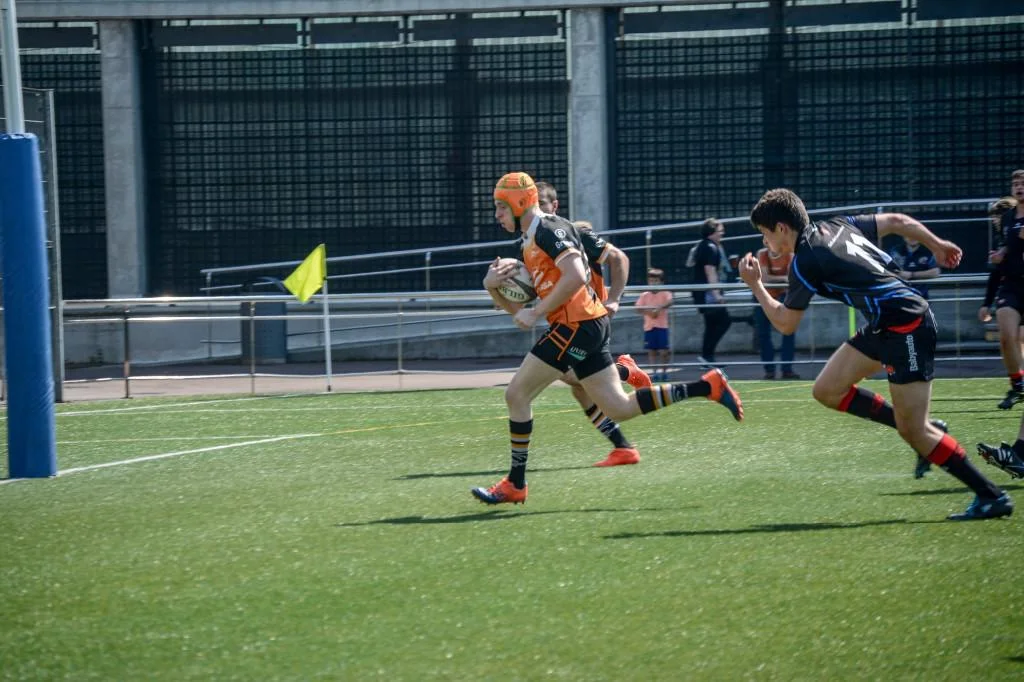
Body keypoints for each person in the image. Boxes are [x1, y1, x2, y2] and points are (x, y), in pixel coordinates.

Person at [739, 188, 1012, 521]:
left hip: (907, 326)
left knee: (914, 431)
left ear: (782, 228)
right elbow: (896, 221)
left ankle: (991, 496)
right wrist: (937, 244)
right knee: (827, 390)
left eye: (765, 233)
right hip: (886, 324)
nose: (765, 241)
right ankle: (925, 429)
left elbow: (786, 323)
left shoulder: (805, 260)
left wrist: (756, 285)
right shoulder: (837, 224)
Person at [475, 172, 744, 504]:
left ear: (519, 203)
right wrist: (492, 288)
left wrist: (538, 311)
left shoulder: (549, 229)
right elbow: (520, 315)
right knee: (619, 407)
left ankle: (516, 483)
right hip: (584, 325)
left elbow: (577, 274)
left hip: (575, 326)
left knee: (516, 394)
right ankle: (707, 386)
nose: (497, 215)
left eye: (501, 207)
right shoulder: (530, 241)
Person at [535, 181, 651, 467]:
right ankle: (623, 448)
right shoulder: (535, 242)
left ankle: (624, 371)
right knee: (579, 387)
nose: (537, 210)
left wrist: (615, 299)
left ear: (555, 206)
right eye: (532, 205)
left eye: (542, 204)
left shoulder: (574, 234)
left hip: (587, 321)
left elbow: (619, 258)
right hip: (568, 322)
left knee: (567, 375)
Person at [981, 171, 1024, 410]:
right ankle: (1018, 385)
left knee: (1021, 338)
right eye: (1015, 184)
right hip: (1012, 285)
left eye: (1022, 183)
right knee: (1007, 337)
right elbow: (1007, 248)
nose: (1019, 187)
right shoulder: (1008, 218)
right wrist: (1000, 255)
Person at [752, 242, 799, 380]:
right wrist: (783, 279)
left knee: (788, 332)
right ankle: (770, 371)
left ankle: (786, 369)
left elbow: (791, 278)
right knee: (763, 334)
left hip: (784, 297)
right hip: (764, 297)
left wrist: (777, 280)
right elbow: (764, 278)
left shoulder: (789, 254)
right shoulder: (762, 254)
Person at [691, 218, 732, 368]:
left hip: (702, 292)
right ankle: (707, 356)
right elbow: (710, 271)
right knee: (724, 321)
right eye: (720, 231)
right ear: (712, 232)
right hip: (708, 295)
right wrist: (716, 294)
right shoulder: (711, 248)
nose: (723, 234)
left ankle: (707, 358)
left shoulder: (702, 245)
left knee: (711, 325)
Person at [634, 268, 673, 381]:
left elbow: (670, 301)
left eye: (656, 281)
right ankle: (654, 373)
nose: (653, 283)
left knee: (664, 351)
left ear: (661, 282)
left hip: (662, 327)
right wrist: (649, 312)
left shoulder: (665, 293)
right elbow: (637, 308)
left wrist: (659, 308)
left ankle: (664, 372)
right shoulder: (644, 295)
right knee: (651, 351)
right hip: (649, 327)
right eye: (651, 281)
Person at [888, 236, 940, 300]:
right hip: (899, 294)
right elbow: (888, 269)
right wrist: (898, 273)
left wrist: (911, 274)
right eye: (909, 235)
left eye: (914, 235)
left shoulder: (928, 251)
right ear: (904, 237)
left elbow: (936, 272)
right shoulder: (896, 251)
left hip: (921, 295)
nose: (912, 238)